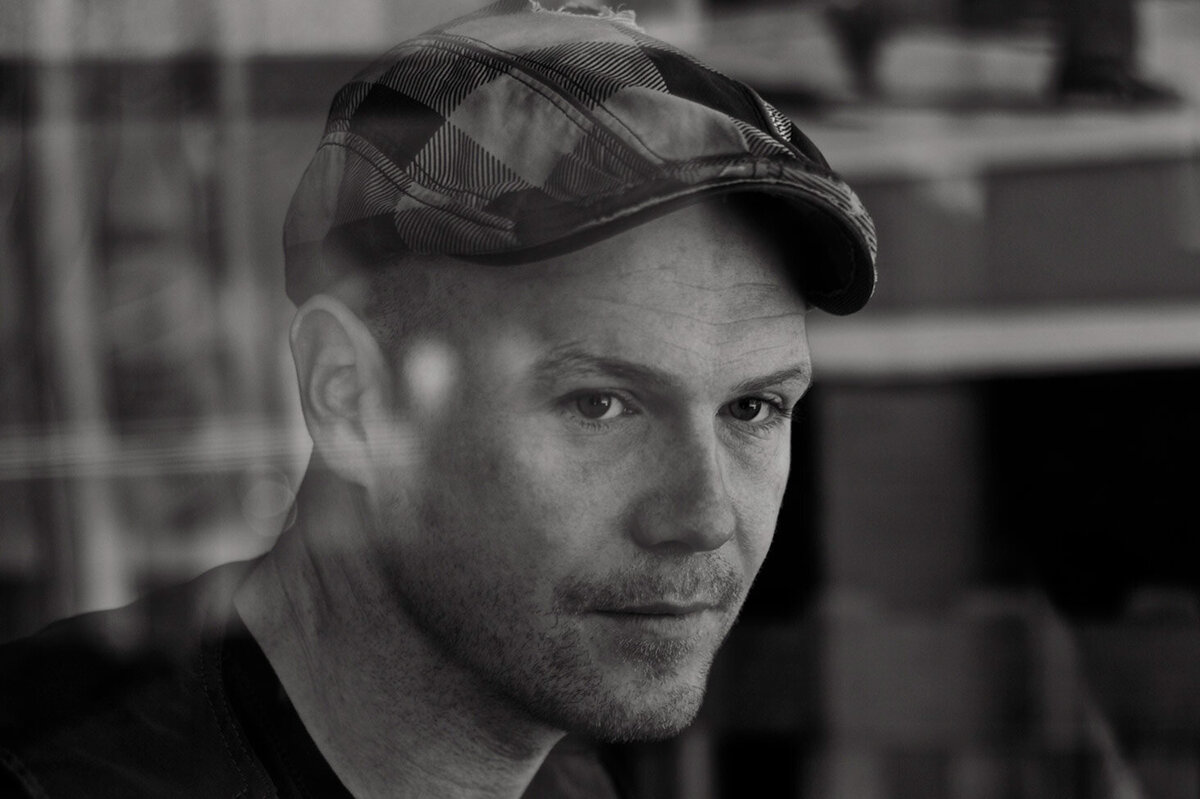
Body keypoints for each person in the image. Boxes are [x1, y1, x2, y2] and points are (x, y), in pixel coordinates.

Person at [0, 1, 876, 797]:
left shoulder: (559, 767)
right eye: (600, 404)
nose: (703, 515)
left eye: (752, 409)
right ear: (351, 398)